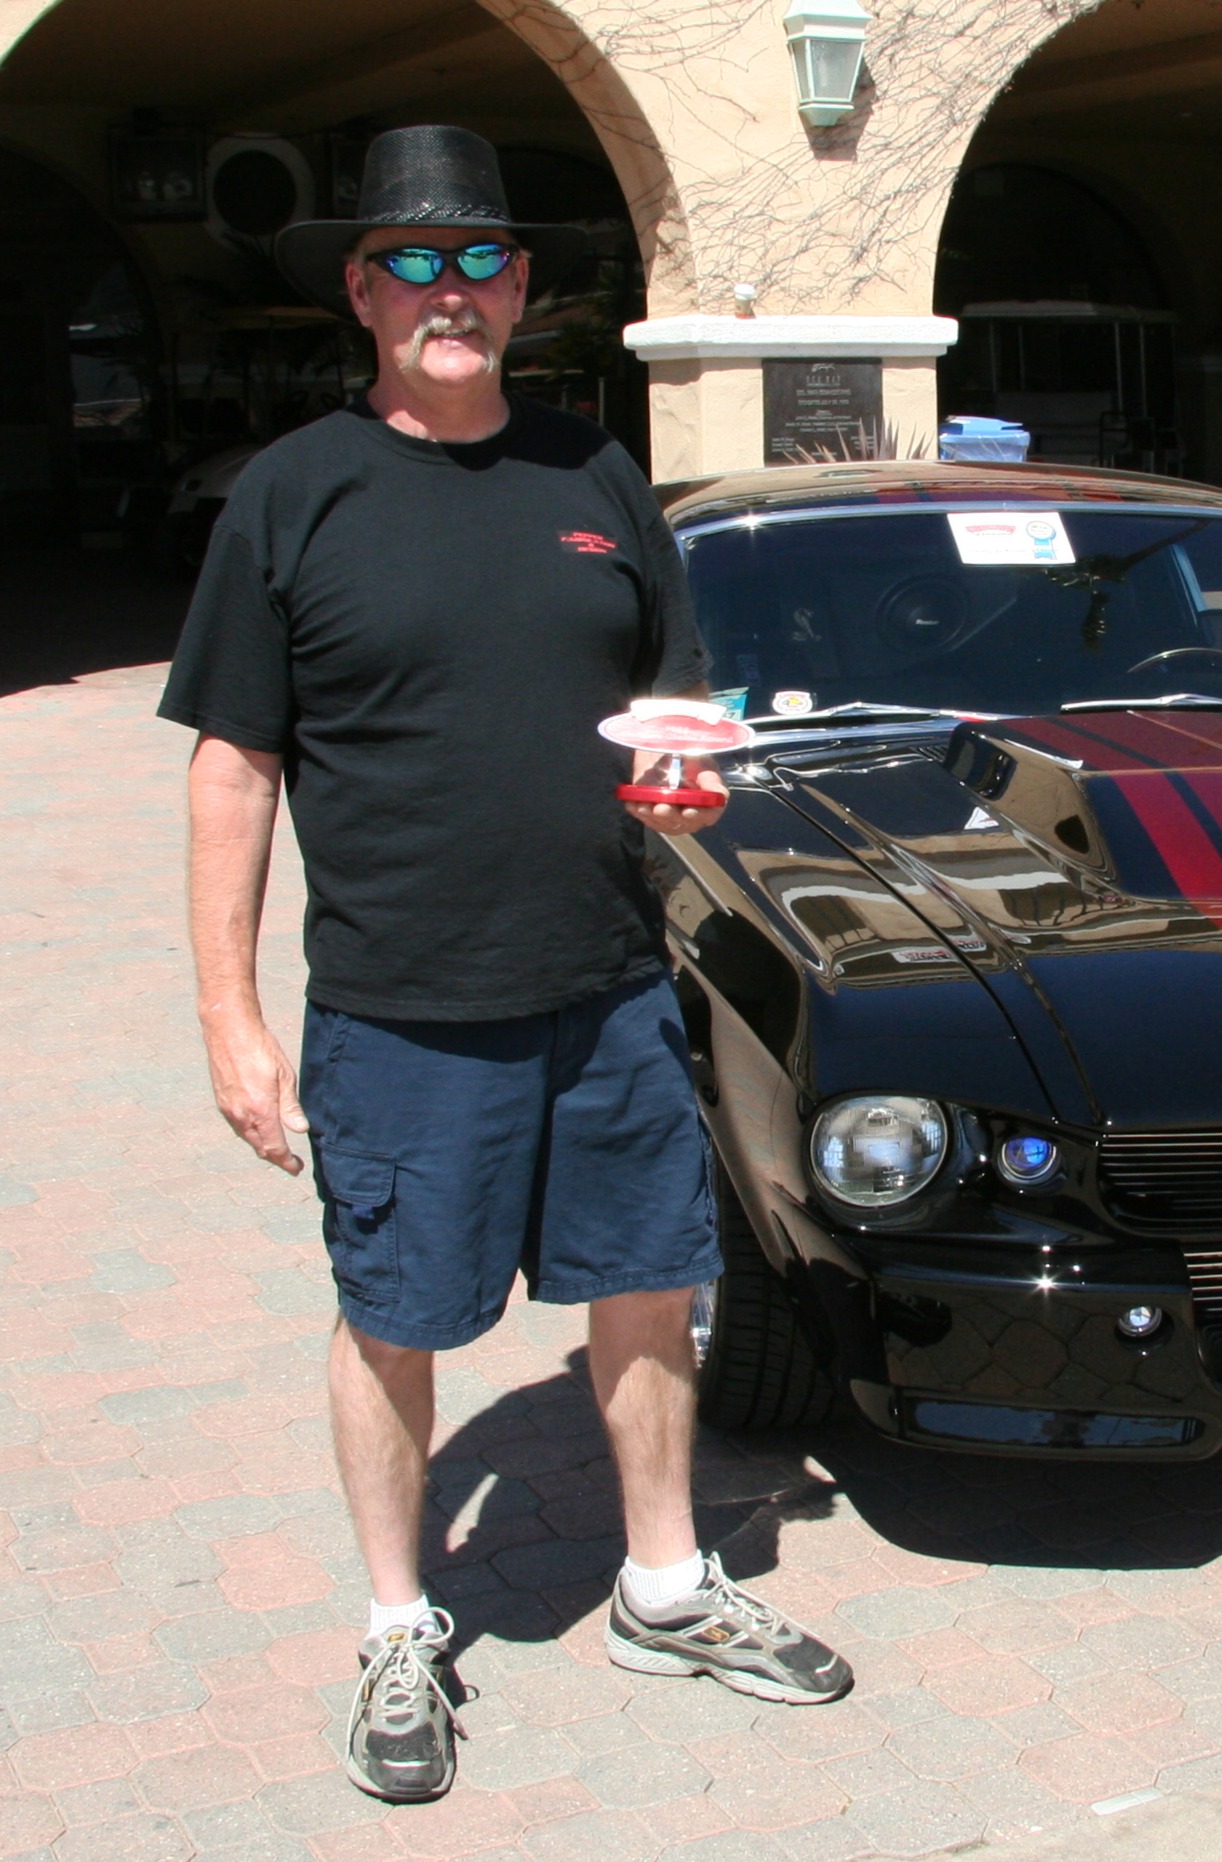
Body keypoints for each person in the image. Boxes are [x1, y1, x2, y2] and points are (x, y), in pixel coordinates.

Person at [158, 125, 850, 1806]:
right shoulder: (292, 492)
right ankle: (400, 1623)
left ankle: (667, 1585)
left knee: (646, 1287)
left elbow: (672, 703)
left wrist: (691, 765)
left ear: (524, 290)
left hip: (610, 985)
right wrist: (231, 1019)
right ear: (360, 288)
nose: (448, 291)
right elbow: (232, 771)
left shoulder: (595, 478)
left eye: (479, 262)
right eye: (414, 261)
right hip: (404, 1010)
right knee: (397, 1314)